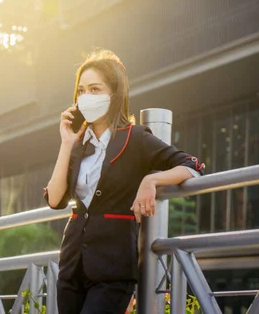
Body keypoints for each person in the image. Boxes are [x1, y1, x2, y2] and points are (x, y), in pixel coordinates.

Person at [43, 50, 204, 314]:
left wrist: (151, 180)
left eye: (95, 89)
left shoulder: (136, 138)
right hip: (72, 267)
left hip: (112, 269)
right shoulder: (78, 145)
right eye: (81, 91)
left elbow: (193, 166)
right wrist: (66, 143)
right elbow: (55, 199)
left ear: (115, 94)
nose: (86, 97)